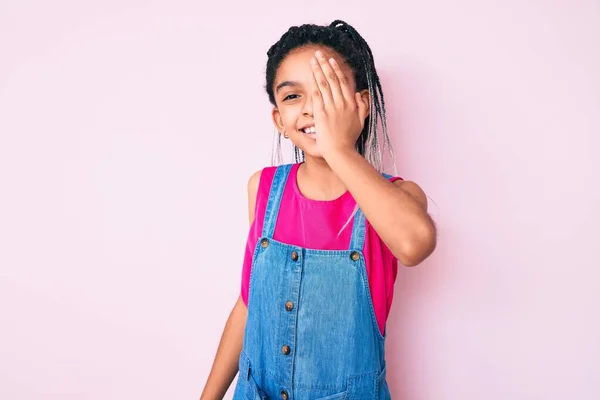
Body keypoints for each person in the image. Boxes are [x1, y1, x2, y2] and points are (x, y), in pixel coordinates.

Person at [200, 20, 437, 400]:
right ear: (279, 120)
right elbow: (249, 303)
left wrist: (339, 148)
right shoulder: (262, 188)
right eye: (293, 96)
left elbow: (415, 244)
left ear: (360, 104)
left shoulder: (397, 197)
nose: (313, 108)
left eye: (328, 92)